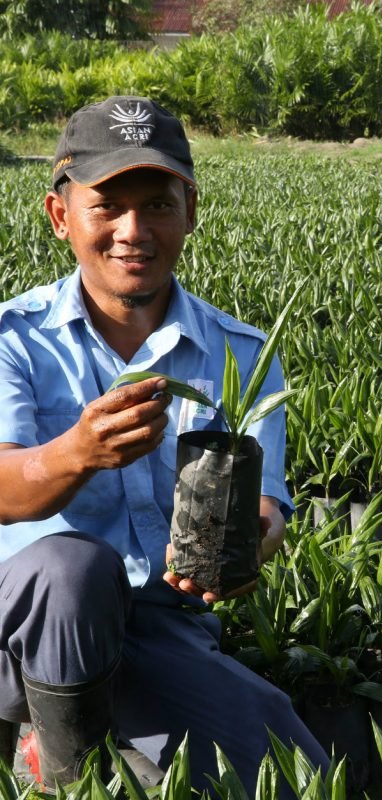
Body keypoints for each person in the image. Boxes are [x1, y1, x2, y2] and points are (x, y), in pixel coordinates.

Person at [0, 96, 329, 793]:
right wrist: (76, 453)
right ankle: (65, 774)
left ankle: (75, 739)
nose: (133, 231)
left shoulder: (238, 352)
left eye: (156, 205)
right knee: (70, 571)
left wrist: (247, 546)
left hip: (154, 629)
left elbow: (267, 505)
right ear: (61, 217)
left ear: (191, 211)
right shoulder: (13, 341)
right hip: (16, 626)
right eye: (107, 207)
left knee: (295, 773)